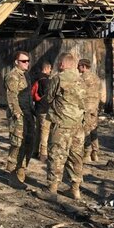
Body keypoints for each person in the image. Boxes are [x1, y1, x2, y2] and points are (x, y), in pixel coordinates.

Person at [46, 53, 85, 200]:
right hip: (78, 127)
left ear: (62, 64)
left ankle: (52, 189)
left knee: (56, 156)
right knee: (75, 158)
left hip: (62, 125)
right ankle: (75, 190)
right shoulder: (81, 80)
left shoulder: (58, 78)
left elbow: (49, 98)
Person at [4, 51, 34, 189]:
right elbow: (12, 98)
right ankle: (12, 176)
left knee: (28, 144)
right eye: (23, 61)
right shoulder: (12, 76)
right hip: (19, 116)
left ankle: (21, 173)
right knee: (17, 145)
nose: (27, 63)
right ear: (16, 62)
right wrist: (17, 115)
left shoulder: (25, 75)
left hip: (28, 114)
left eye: (28, 60)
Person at [78, 59, 102, 162]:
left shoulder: (82, 79)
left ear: (83, 66)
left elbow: (79, 94)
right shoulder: (96, 78)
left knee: (85, 130)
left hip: (86, 108)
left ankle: (87, 153)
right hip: (95, 108)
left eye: (78, 66)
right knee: (94, 130)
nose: (77, 67)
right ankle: (95, 153)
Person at [31, 61, 52, 162]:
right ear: (47, 68)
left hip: (37, 109)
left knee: (38, 130)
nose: (51, 71)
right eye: (50, 69)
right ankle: (43, 154)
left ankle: (34, 151)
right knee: (45, 132)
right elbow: (49, 96)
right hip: (45, 110)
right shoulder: (46, 81)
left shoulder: (35, 78)